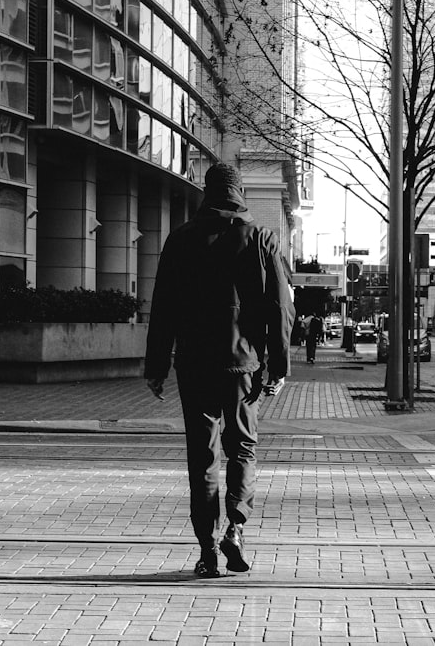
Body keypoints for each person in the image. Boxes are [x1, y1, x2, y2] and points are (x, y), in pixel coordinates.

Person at [145, 162, 295, 578]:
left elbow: (163, 308)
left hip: (194, 364)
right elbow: (281, 308)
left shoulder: (181, 240)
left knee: (202, 457)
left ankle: (207, 549)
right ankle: (236, 528)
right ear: (240, 192)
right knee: (242, 448)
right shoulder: (261, 239)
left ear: (207, 192)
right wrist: (277, 365)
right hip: (243, 364)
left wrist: (156, 366)